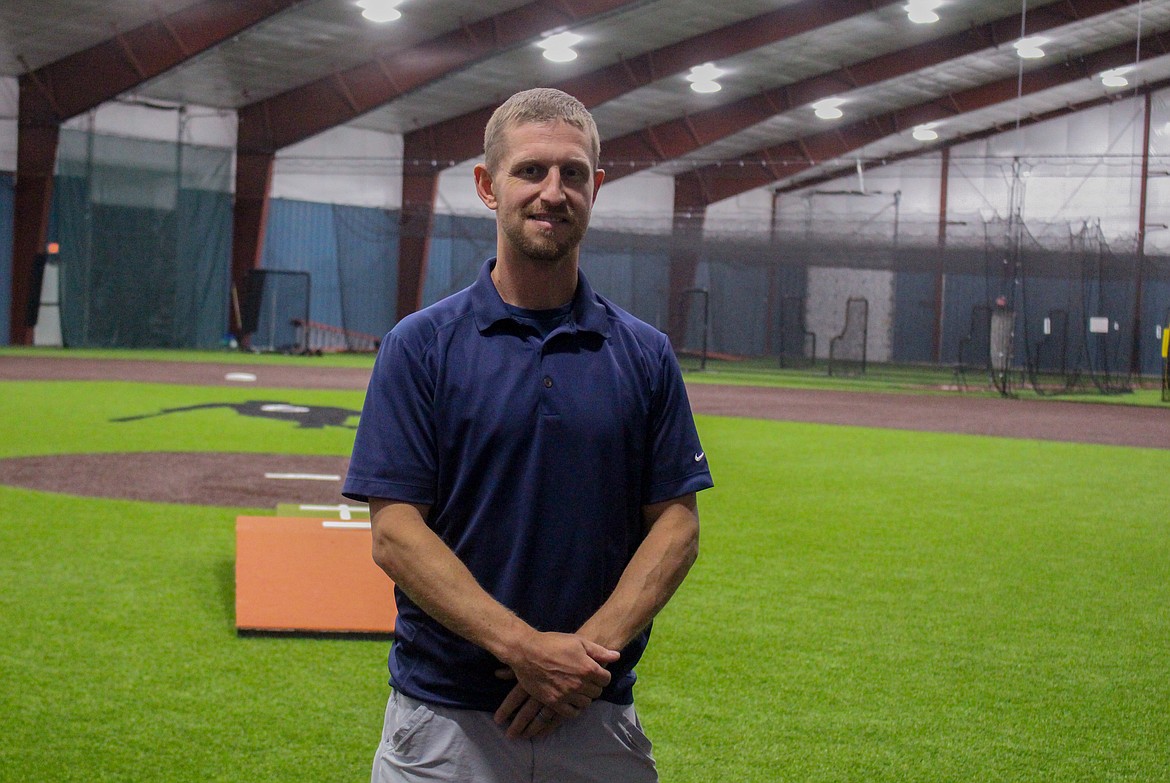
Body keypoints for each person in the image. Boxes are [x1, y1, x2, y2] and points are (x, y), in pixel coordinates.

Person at [343, 87, 714, 783]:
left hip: (597, 718)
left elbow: (676, 527)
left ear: (596, 187)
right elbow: (395, 531)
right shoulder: (419, 347)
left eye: (573, 173)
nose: (554, 191)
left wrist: (577, 661)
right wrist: (522, 647)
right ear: (488, 186)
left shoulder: (644, 353)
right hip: (445, 726)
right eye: (531, 171)